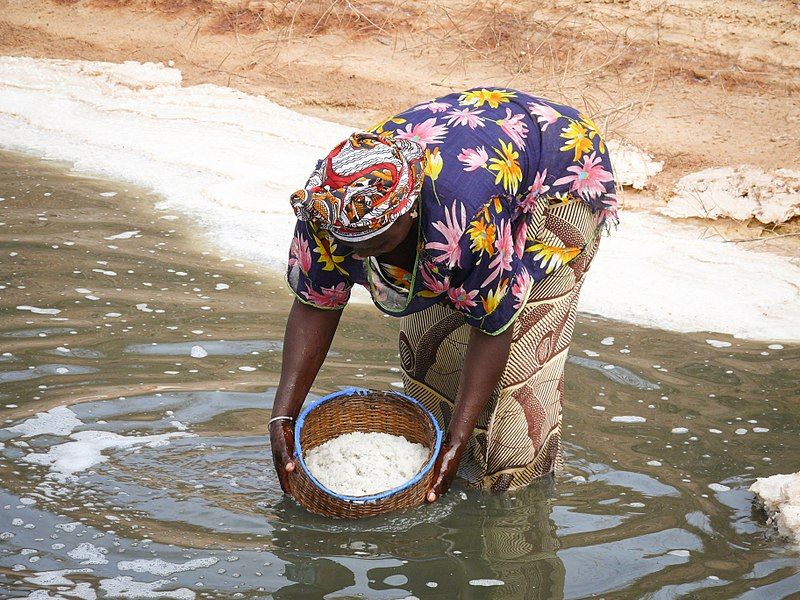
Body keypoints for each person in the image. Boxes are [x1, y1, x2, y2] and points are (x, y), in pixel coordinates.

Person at [270, 87, 618, 501]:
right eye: (346, 243)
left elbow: (493, 324)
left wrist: (457, 439)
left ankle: (517, 507)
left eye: (373, 243)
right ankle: (442, 473)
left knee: (514, 395)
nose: (354, 254)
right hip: (470, 141)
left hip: (558, 173)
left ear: (411, 211)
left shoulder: (467, 215)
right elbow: (315, 301)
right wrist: (283, 415)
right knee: (428, 361)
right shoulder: (329, 205)